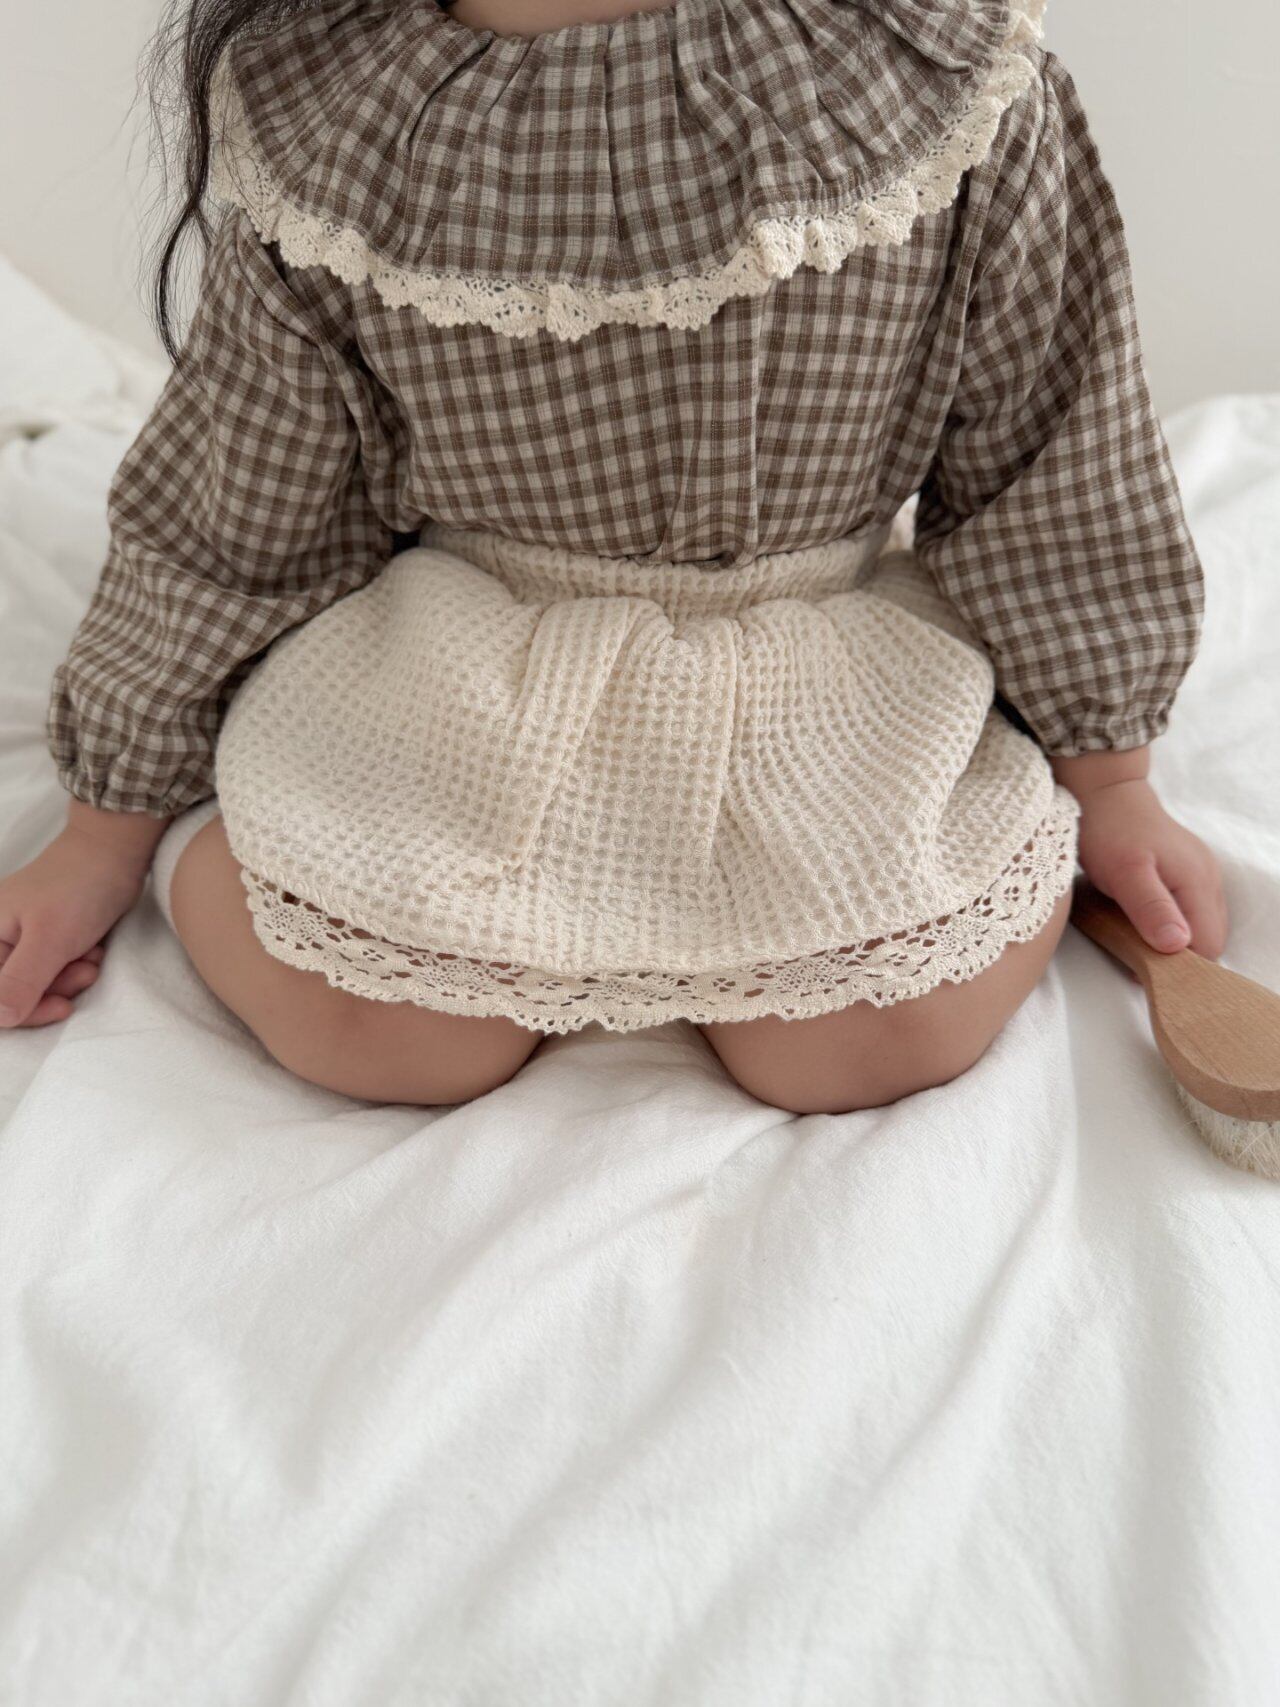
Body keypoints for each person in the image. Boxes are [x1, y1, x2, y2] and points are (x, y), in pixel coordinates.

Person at [0, 0, 1227, 1112]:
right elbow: (239, 501)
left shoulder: (937, 70)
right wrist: (109, 831)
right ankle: (222, 849)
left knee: (870, 1039)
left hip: (819, 663)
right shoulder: (338, 111)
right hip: (468, 664)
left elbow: (1053, 449)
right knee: (376, 1036)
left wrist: (1109, 775)